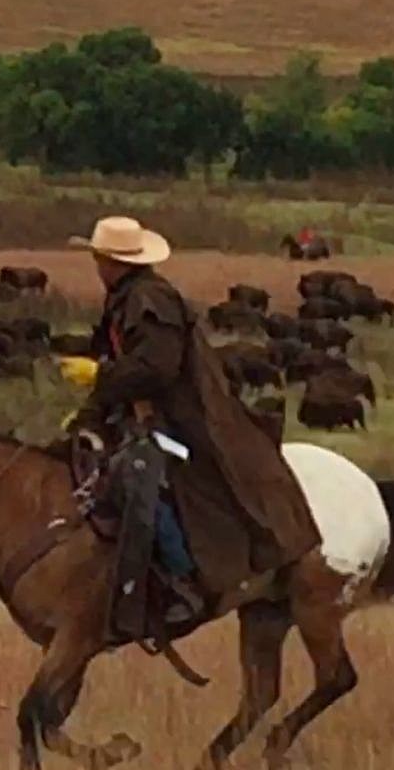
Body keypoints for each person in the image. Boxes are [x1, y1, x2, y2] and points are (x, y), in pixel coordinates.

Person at [67, 216, 321, 627]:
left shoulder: (150, 301)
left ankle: (182, 580)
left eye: (99, 259)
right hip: (142, 409)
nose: (97, 267)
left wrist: (101, 377)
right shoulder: (125, 298)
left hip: (184, 418)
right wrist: (91, 408)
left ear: (113, 262)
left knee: (138, 474)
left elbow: (156, 369)